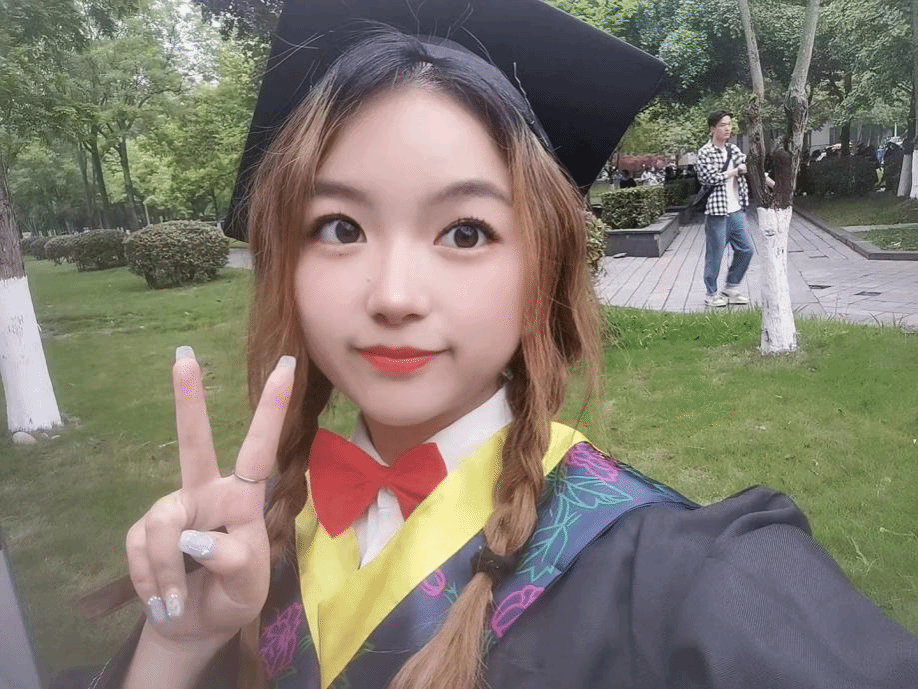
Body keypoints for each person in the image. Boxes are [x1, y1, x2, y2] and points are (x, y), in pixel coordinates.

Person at [55, 2, 918, 688]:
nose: (394, 295)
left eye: (465, 232)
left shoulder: (675, 578)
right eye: (340, 226)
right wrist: (180, 645)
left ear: (542, 268)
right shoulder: (256, 550)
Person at [695, 110, 754, 308]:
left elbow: (749, 167)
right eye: (722, 125)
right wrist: (734, 172)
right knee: (715, 255)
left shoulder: (733, 149)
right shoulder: (705, 152)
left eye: (729, 124)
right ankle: (711, 293)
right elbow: (708, 178)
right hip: (716, 212)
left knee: (746, 249)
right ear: (712, 129)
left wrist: (772, 183)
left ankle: (730, 288)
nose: (727, 128)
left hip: (736, 209)